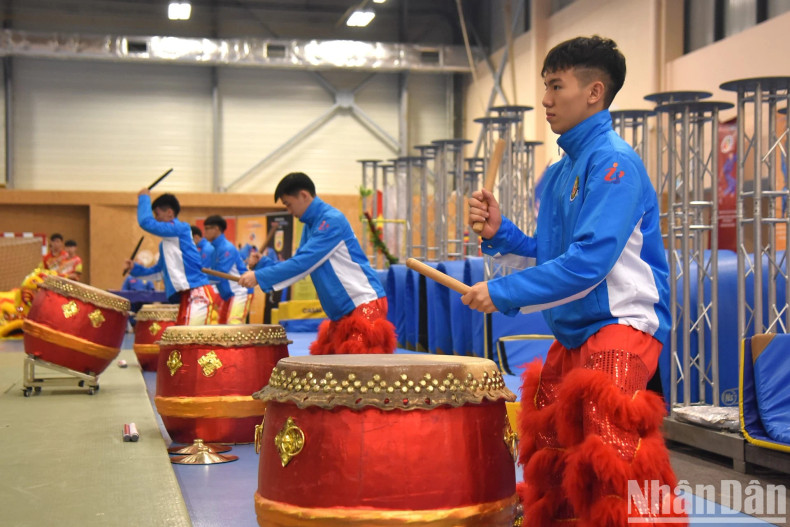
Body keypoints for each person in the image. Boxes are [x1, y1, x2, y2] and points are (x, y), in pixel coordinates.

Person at [464, 36, 683, 525]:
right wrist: (503, 233)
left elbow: (587, 265)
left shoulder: (614, 164)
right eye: (545, 86)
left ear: (593, 92)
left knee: (611, 455)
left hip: (621, 326)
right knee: (549, 441)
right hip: (577, 327)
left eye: (555, 86)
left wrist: (501, 293)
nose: (545, 99)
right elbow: (553, 253)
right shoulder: (561, 171)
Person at [238, 172, 395, 355]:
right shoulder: (311, 225)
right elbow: (300, 262)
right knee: (332, 370)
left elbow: (303, 263)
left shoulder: (331, 220)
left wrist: (258, 277)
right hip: (343, 310)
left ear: (304, 195)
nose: (289, 211)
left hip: (364, 303)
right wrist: (263, 264)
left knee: (357, 369)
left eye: (288, 204)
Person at [124, 190, 214, 325]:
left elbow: (146, 223)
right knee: (184, 342)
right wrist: (135, 269)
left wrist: (144, 198)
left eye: (157, 214)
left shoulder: (180, 228)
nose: (156, 219)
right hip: (186, 296)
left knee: (189, 341)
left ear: (170, 213)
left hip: (197, 293)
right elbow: (159, 272)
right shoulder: (165, 244)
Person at [203, 215, 252, 325]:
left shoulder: (227, 248)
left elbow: (220, 274)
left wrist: (198, 278)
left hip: (241, 292)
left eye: (207, 229)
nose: (204, 232)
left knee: (233, 325)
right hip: (228, 294)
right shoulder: (213, 249)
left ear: (216, 229)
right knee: (221, 327)